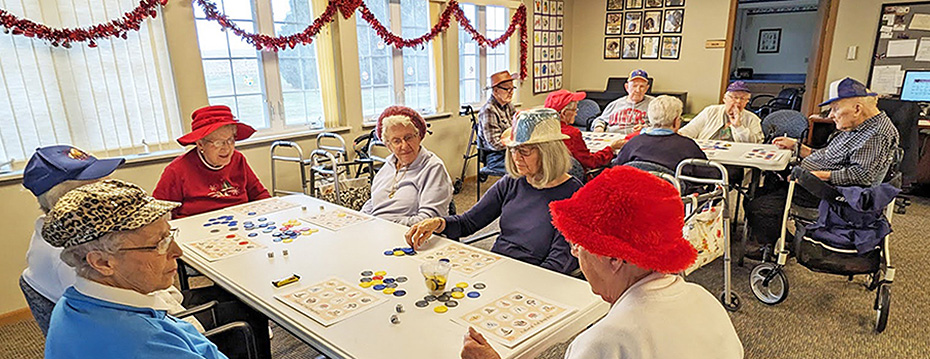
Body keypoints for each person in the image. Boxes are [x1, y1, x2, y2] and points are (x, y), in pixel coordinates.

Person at [460, 166, 743, 359]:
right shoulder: (705, 300)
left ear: (615, 258)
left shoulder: (606, 340)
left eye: (578, 244)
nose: (573, 253)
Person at [19, 145, 200, 336]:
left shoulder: (63, 232)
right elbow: (150, 312)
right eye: (100, 187)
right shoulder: (72, 259)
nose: (110, 188)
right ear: (71, 202)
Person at [42, 180, 227, 358]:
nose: (177, 251)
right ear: (102, 262)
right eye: (159, 244)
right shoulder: (145, 343)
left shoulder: (74, 302)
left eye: (169, 236)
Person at [406, 108, 581, 274]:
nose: (516, 157)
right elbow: (468, 222)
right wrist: (438, 223)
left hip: (533, 277)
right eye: (512, 150)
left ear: (549, 153)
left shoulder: (574, 197)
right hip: (498, 265)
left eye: (524, 151)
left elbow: (556, 266)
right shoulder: (512, 182)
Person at [746, 77, 899, 248]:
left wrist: (812, 176)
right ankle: (776, 237)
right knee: (759, 190)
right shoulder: (858, 126)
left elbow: (862, 176)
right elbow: (833, 156)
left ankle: (783, 247)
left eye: (835, 108)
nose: (831, 115)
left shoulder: (876, 134)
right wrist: (801, 148)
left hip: (830, 195)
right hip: (815, 183)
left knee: (758, 207)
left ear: (857, 108)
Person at [154, 105, 270, 218]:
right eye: (218, 142)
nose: (227, 148)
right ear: (200, 144)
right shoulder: (177, 170)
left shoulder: (238, 159)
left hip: (241, 223)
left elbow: (259, 194)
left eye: (230, 140)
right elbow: (158, 212)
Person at [361, 106, 453, 225]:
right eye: (396, 141)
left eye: (408, 138)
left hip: (411, 237)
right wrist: (360, 220)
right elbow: (374, 203)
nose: (404, 146)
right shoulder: (389, 165)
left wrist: (383, 223)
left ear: (419, 136)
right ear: (388, 145)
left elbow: (428, 220)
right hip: (379, 230)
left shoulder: (433, 168)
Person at [612, 95, 708, 173]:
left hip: (634, 194)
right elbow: (710, 174)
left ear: (650, 119)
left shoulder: (633, 143)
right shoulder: (688, 146)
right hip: (673, 194)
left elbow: (616, 167)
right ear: (676, 121)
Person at [545, 89, 625, 172]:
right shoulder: (572, 134)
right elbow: (591, 162)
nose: (576, 114)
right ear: (564, 113)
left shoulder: (539, 130)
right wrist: (611, 149)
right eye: (575, 110)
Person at [679, 80, 763, 143]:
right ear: (724, 99)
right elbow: (688, 131)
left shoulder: (752, 119)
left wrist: (738, 126)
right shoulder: (711, 111)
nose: (738, 102)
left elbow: (756, 143)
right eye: (734, 97)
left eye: (742, 99)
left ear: (746, 102)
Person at [477, 70, 517, 174]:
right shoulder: (488, 110)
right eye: (507, 89)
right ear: (495, 91)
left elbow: (518, 129)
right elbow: (495, 144)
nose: (511, 92)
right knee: (524, 167)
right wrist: (517, 143)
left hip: (510, 151)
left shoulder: (509, 106)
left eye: (512, 88)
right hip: (495, 157)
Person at [591, 69, 654, 134]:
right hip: (611, 138)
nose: (638, 90)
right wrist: (599, 127)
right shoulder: (615, 104)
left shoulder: (654, 104)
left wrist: (644, 127)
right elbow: (600, 120)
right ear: (627, 87)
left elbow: (661, 125)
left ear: (646, 88)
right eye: (634, 86)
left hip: (637, 140)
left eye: (642, 86)